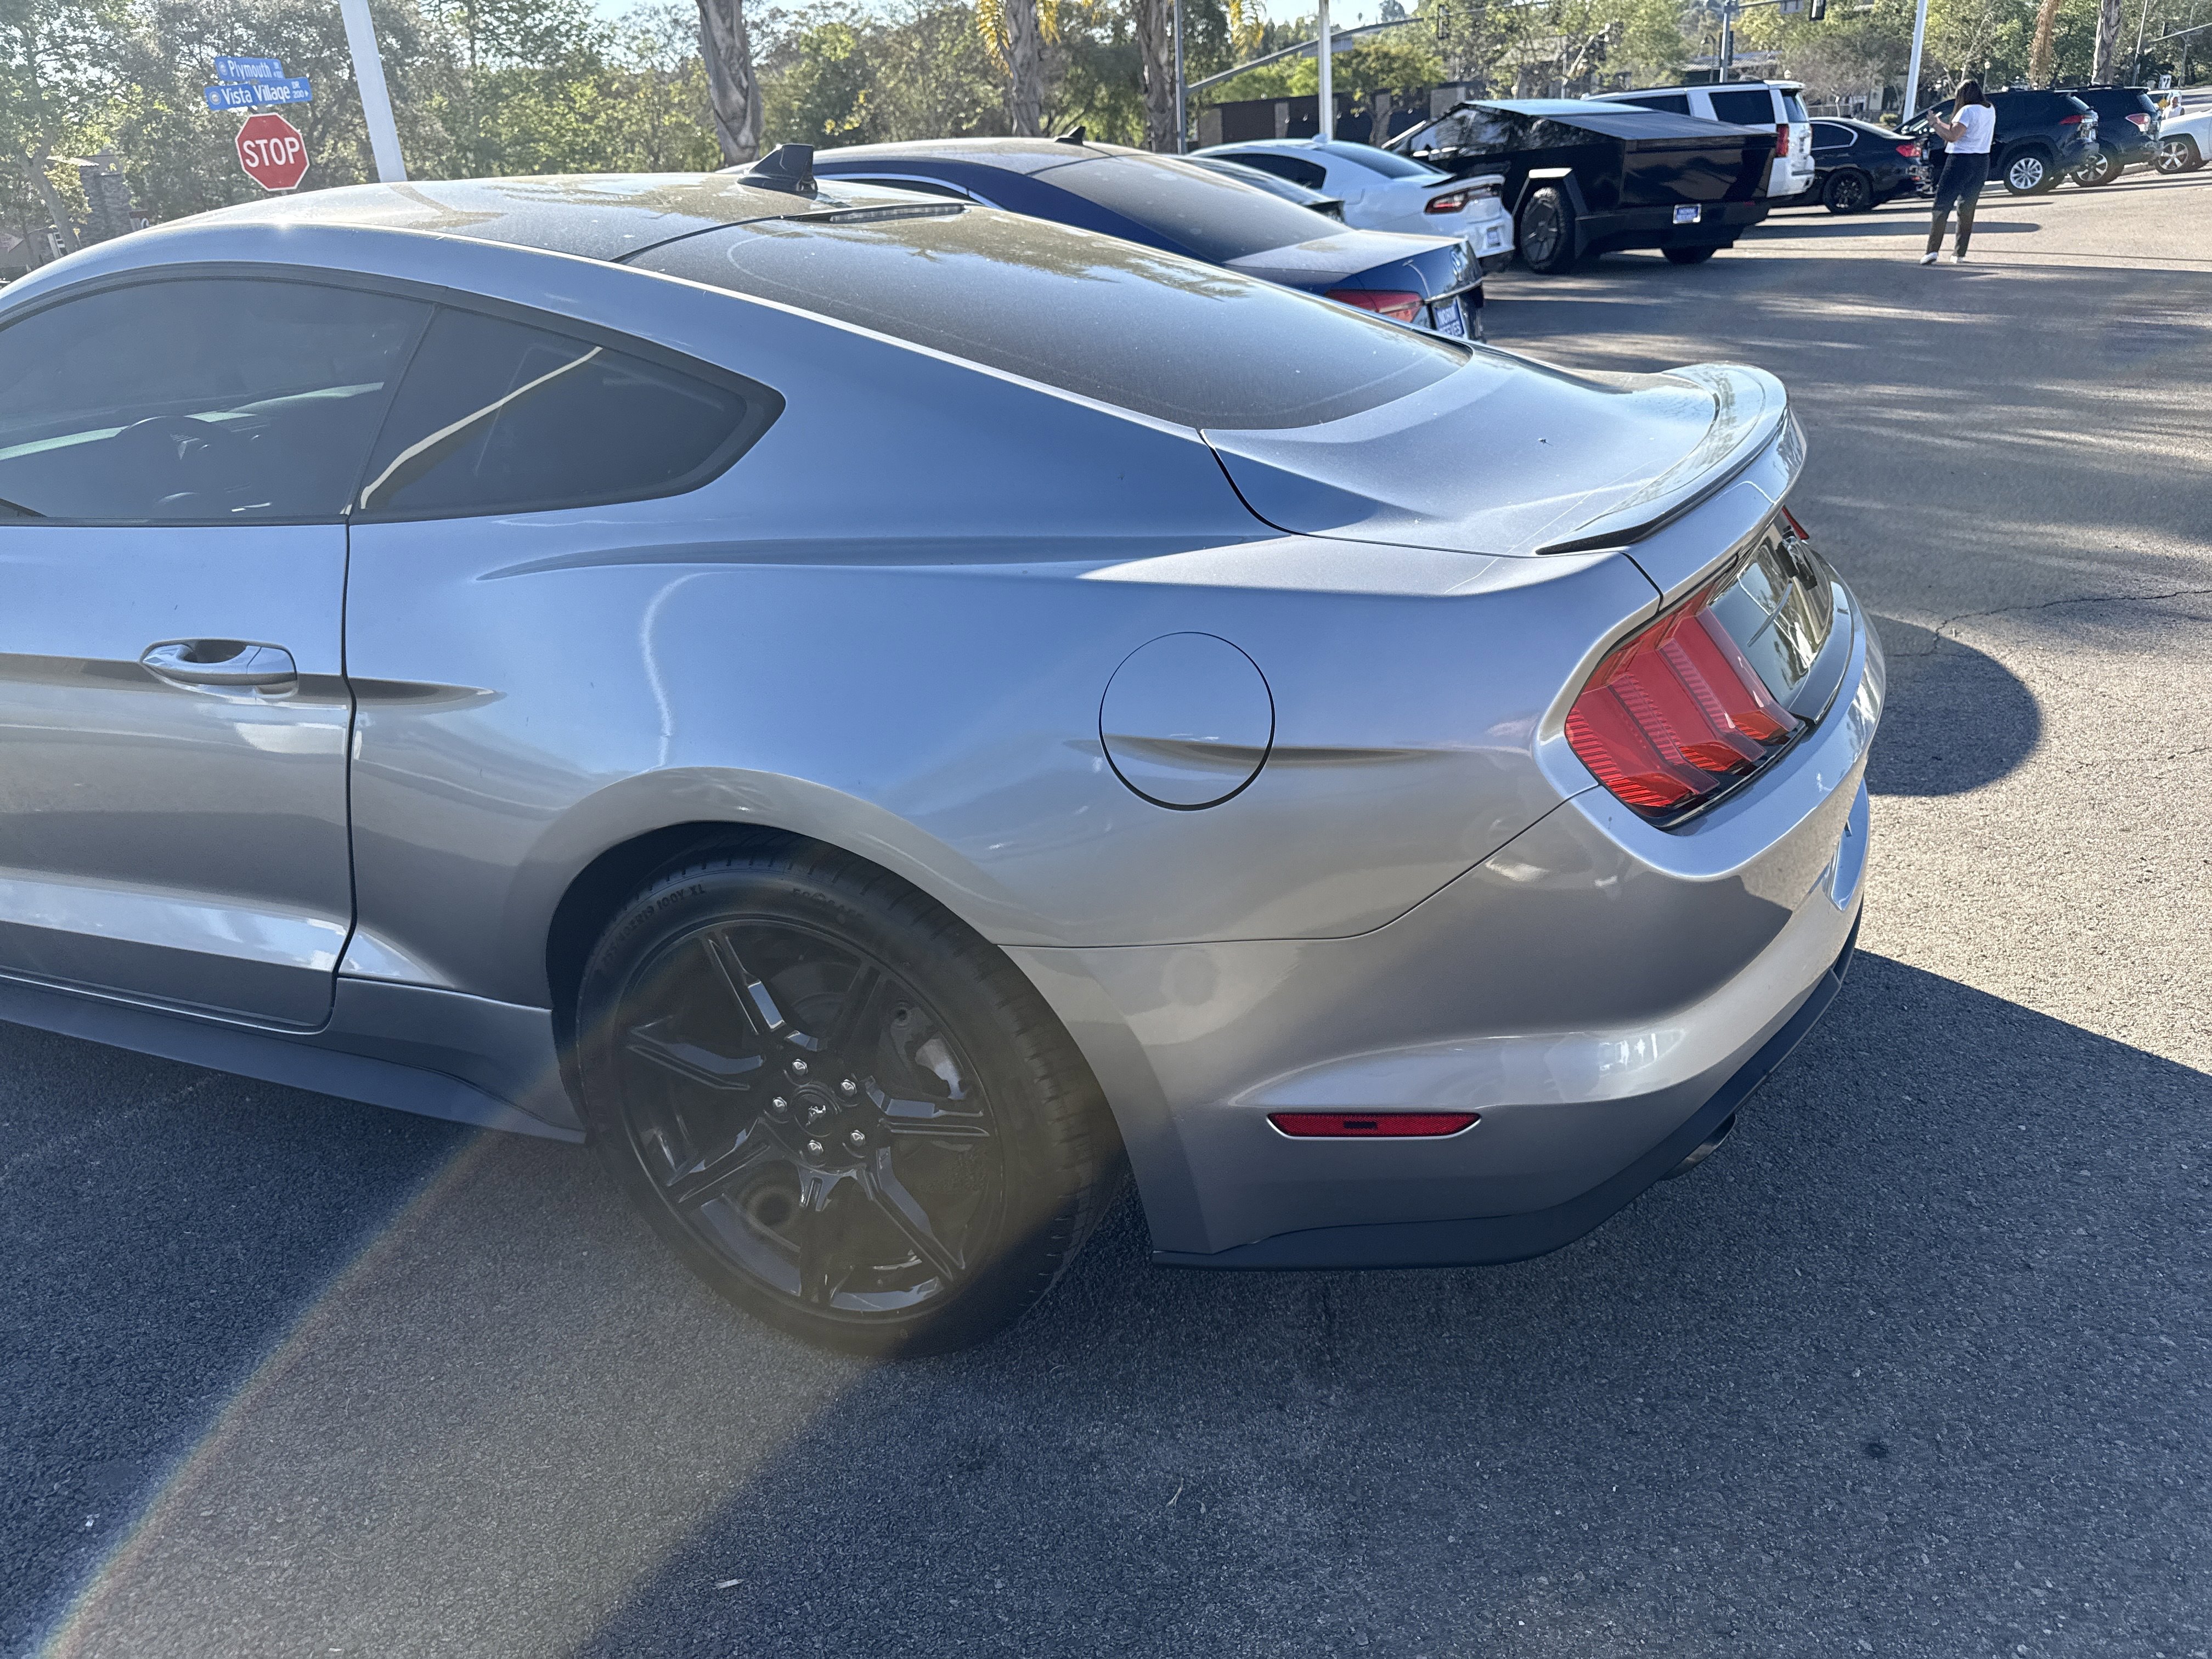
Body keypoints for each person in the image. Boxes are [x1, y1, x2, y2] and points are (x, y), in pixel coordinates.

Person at [1922, 80, 1995, 264]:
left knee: (1941, 205)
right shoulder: (1989, 109)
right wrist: (1939, 123)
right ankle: (1959, 254)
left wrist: (1935, 125)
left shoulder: (1967, 111)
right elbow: (1961, 132)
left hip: (1960, 160)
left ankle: (1932, 251)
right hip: (1982, 161)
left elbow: (1953, 137)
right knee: (1967, 207)